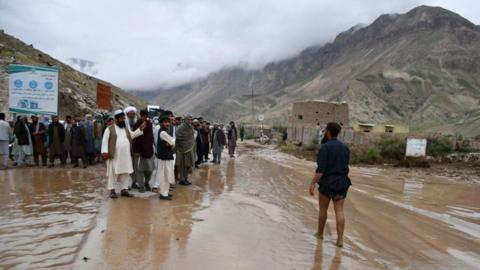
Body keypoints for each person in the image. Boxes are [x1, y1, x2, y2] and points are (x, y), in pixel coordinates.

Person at [309, 122, 351, 248]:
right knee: (339, 210)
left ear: (328, 131)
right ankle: (340, 240)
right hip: (342, 182)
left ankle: (320, 234)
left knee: (323, 209)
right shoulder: (345, 148)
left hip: (327, 183)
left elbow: (321, 170)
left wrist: (312, 183)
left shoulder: (325, 147)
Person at [101, 110, 146, 198]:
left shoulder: (125, 129)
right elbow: (105, 141)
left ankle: (124, 190)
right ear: (117, 119)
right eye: (122, 118)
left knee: (126, 173)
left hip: (126, 156)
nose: (124, 120)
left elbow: (132, 135)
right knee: (113, 173)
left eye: (124, 118)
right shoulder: (109, 129)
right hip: (114, 156)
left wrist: (140, 129)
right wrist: (104, 152)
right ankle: (112, 190)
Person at [132, 109, 155, 193]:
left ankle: (147, 183)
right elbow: (134, 137)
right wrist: (136, 150)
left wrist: (151, 146)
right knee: (139, 169)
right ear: (140, 116)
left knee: (149, 169)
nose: (144, 118)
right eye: (143, 116)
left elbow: (151, 137)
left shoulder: (149, 125)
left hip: (148, 150)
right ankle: (141, 185)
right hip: (139, 151)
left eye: (146, 116)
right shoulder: (136, 125)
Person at [153, 115, 176, 200]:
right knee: (163, 175)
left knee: (167, 175)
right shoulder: (162, 132)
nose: (167, 124)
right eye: (165, 122)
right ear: (161, 123)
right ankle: (163, 194)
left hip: (167, 156)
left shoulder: (165, 131)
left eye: (168, 122)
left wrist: (171, 143)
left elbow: (172, 142)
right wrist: (171, 143)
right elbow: (173, 142)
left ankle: (165, 193)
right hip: (164, 157)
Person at [175, 114, 194, 186]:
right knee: (182, 166)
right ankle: (182, 180)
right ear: (185, 120)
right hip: (182, 149)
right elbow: (178, 136)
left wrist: (189, 141)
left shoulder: (190, 127)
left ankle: (185, 179)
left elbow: (191, 136)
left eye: (190, 119)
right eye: (188, 119)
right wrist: (186, 140)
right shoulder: (180, 127)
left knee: (187, 165)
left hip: (189, 149)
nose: (190, 121)